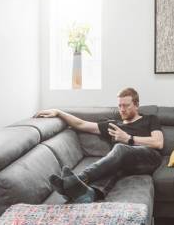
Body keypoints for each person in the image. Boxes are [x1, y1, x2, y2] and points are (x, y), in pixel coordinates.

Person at [34, 87, 164, 203]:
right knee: (112, 167)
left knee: (119, 148)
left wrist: (128, 139)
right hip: (127, 164)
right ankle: (89, 194)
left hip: (149, 158)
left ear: (136, 105)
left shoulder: (150, 119)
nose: (122, 109)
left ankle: (79, 178)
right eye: (119, 106)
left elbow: (158, 142)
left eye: (126, 105)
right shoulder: (113, 125)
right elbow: (81, 124)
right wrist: (58, 112)